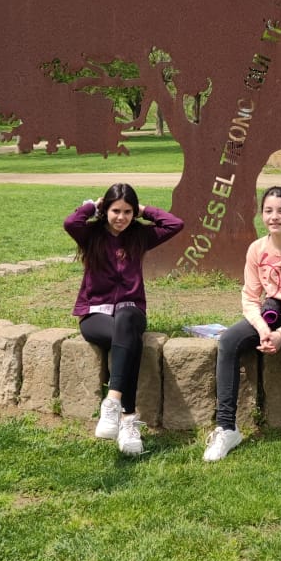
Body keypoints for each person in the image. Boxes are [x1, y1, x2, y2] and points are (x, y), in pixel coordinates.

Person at [203, 185, 281, 475]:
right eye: (268, 211)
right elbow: (250, 298)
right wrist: (263, 329)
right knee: (229, 340)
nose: (274, 217)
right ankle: (227, 428)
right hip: (271, 314)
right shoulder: (257, 250)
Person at [64, 183, 183, 455]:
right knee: (131, 342)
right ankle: (128, 420)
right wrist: (92, 206)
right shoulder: (90, 234)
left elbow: (175, 224)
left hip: (131, 312)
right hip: (95, 314)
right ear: (106, 210)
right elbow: (71, 222)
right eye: (116, 211)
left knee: (127, 317)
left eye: (128, 212)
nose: (122, 217)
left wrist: (144, 210)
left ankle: (112, 402)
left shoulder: (139, 236)